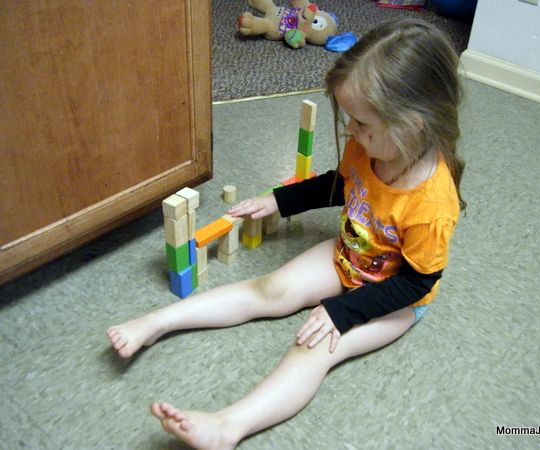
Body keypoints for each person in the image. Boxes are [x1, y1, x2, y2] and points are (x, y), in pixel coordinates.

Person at [106, 18, 466, 450]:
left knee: (315, 347)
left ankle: (227, 427)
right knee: (270, 289)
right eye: (350, 119)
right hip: (348, 255)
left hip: (395, 298)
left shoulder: (432, 206)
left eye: (361, 123)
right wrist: (280, 200)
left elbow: (416, 283)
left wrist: (343, 311)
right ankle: (156, 323)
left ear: (414, 124)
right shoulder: (368, 146)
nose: (351, 131)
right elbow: (341, 185)